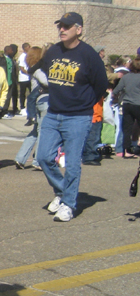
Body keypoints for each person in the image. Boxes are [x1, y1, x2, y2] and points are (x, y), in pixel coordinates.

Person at [36, 12, 109, 222]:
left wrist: (85, 103)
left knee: (73, 163)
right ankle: (62, 192)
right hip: (53, 113)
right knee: (43, 157)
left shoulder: (88, 55)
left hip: (78, 117)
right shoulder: (53, 52)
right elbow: (44, 72)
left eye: (67, 26)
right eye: (60, 26)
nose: (62, 30)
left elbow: (101, 84)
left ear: (79, 29)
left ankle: (68, 204)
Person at [15, 46, 49, 169]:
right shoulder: (38, 70)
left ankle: (20, 158)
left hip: (37, 102)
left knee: (35, 132)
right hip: (43, 100)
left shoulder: (32, 69)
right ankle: (37, 161)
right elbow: (46, 82)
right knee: (43, 131)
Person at [112, 58, 140, 158]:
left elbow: (116, 90)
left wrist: (113, 98)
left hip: (127, 104)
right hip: (138, 104)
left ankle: (126, 151)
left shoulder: (126, 77)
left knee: (126, 129)